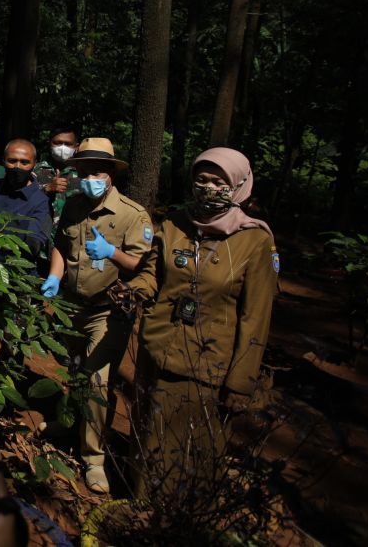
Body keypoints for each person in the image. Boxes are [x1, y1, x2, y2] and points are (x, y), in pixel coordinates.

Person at [129, 147, 278, 497]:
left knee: (186, 449)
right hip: (157, 348)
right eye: (201, 179)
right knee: (145, 434)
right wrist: (134, 289)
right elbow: (153, 273)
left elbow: (255, 318)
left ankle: (173, 519)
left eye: (218, 181)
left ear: (239, 186)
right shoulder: (173, 224)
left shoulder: (255, 242)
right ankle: (136, 507)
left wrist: (240, 383)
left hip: (207, 365)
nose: (208, 188)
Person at [45, 137, 154, 494]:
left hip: (107, 311)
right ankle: (69, 421)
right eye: (84, 171)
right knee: (75, 368)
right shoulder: (74, 205)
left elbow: (141, 264)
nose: (90, 176)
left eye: (97, 171)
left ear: (110, 174)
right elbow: (62, 246)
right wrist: (54, 277)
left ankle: (93, 459)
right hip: (73, 304)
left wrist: (112, 253)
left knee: (98, 381)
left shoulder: (132, 214)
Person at [0, 139, 53, 266]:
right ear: (4, 160)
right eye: (12, 161)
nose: (17, 167)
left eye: (24, 162)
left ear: (34, 164)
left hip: (16, 273)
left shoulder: (41, 201)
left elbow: (33, 245)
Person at [36, 124, 82, 221]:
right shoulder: (35, 170)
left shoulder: (84, 173)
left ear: (77, 147)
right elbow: (22, 199)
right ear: (49, 143)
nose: (62, 148)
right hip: (40, 231)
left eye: (68, 144)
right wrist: (46, 189)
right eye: (57, 143)